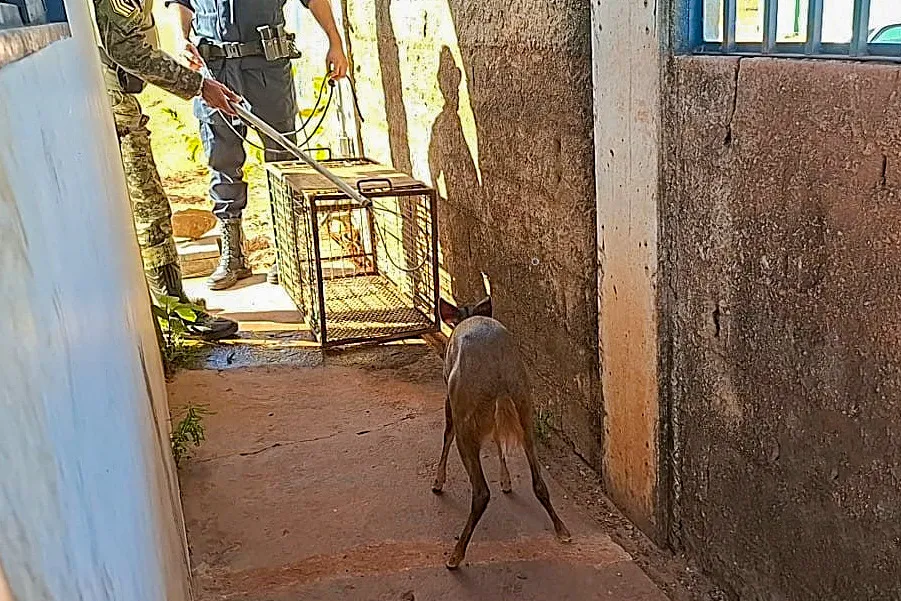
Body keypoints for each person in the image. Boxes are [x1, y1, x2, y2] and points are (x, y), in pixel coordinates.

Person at [166, 0, 349, 290]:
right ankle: (233, 255)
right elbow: (182, 3)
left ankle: (288, 252)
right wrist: (182, 39)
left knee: (283, 159)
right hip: (215, 70)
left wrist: (335, 42)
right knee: (221, 159)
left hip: (267, 67)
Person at [94, 0, 243, 340]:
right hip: (111, 105)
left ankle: (172, 305)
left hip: (115, 100)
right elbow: (128, 49)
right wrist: (199, 86)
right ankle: (176, 312)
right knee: (149, 209)